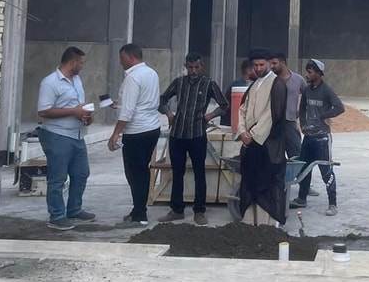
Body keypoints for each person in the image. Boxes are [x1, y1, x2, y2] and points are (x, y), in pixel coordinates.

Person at [158, 52, 229, 226]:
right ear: (186, 66)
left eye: (196, 67)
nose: (194, 70)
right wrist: (169, 113)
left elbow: (224, 104)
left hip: (197, 134)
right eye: (190, 67)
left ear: (201, 66)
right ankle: (177, 210)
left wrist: (210, 115)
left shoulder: (209, 84)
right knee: (177, 173)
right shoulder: (179, 83)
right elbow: (162, 99)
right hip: (178, 134)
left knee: (199, 173)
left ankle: (199, 211)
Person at [35, 47, 96, 231]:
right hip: (57, 135)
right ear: (72, 62)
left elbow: (77, 106)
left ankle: (74, 209)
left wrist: (85, 116)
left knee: (81, 173)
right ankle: (57, 216)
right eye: (81, 63)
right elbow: (43, 110)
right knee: (58, 178)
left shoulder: (76, 80)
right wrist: (74, 112)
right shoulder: (50, 82)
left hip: (77, 134)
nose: (82, 66)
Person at [108, 44, 161, 226]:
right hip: (152, 128)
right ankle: (138, 208)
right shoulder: (151, 73)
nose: (120, 62)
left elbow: (128, 112)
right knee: (141, 171)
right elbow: (142, 101)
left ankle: (140, 214)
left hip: (136, 131)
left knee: (134, 173)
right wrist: (120, 103)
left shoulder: (133, 77)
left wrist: (116, 133)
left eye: (122, 58)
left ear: (131, 57)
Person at [237, 48, 288, 226]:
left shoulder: (277, 84)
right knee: (250, 184)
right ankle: (249, 224)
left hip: (268, 146)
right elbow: (242, 109)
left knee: (267, 187)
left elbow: (273, 114)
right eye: (255, 65)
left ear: (268, 63)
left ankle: (266, 227)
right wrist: (242, 131)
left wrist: (252, 135)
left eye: (261, 65)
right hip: (251, 145)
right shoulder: (254, 85)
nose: (258, 68)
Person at [290, 59, 344, 216]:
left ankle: (332, 204)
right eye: (307, 72)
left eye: (310, 72)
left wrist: (324, 116)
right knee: (304, 169)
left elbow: (339, 107)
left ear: (319, 74)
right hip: (308, 137)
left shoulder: (327, 91)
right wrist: (303, 124)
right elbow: (302, 108)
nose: (307, 75)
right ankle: (302, 198)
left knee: (326, 171)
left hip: (322, 139)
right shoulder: (307, 91)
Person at [270, 52, 306, 159]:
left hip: (290, 122)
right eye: (271, 64)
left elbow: (307, 97)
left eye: (274, 63)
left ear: (283, 62)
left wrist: (300, 112)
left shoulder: (298, 80)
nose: (272, 66)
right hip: (273, 124)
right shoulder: (271, 80)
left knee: (296, 155)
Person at [220, 59, 255, 127]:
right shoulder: (239, 86)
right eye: (255, 67)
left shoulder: (249, 84)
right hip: (231, 124)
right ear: (248, 71)